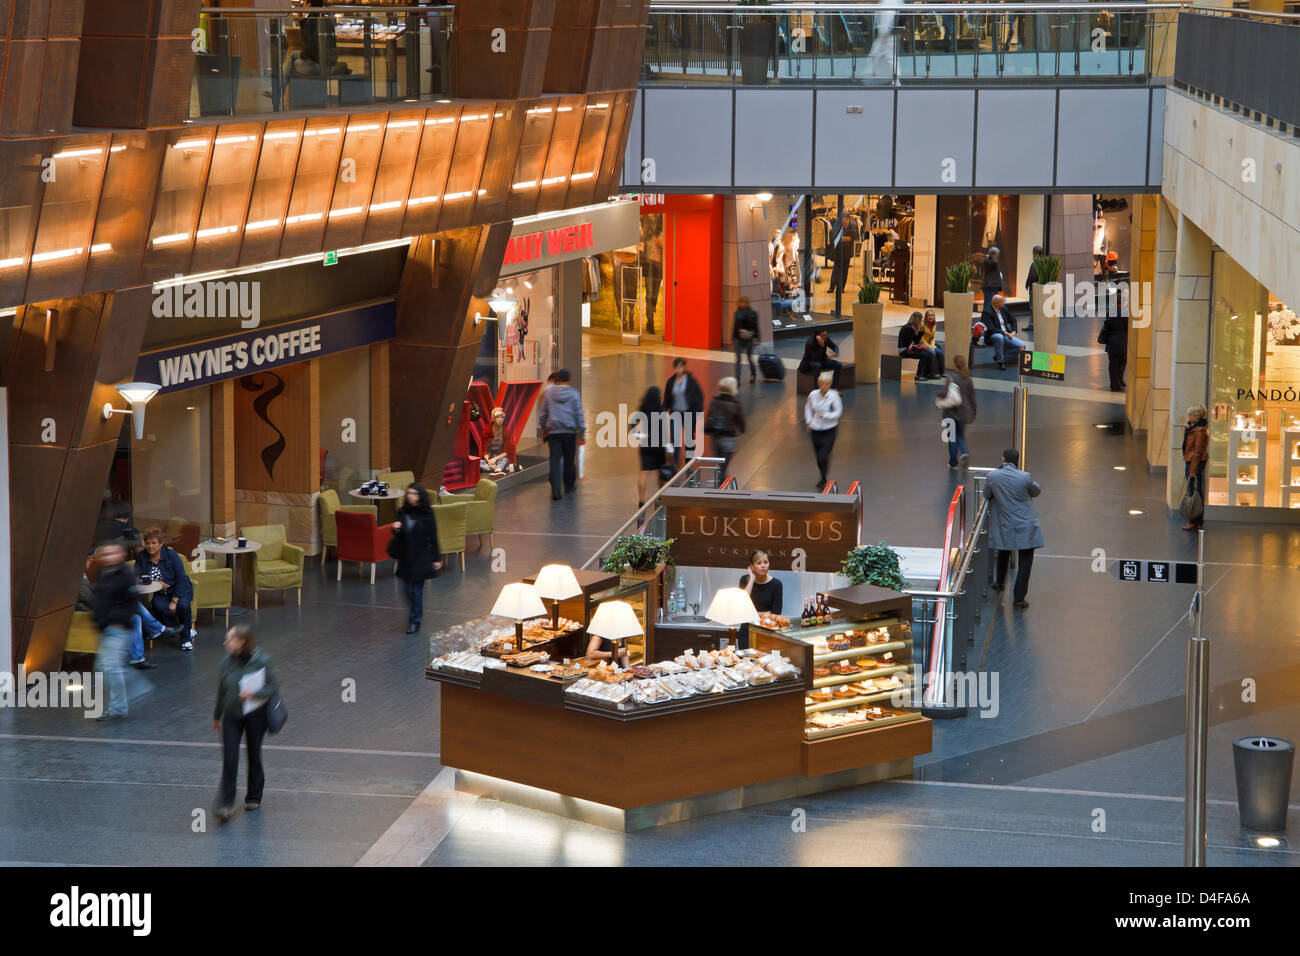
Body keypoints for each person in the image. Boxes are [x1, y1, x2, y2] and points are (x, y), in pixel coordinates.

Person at [212, 623, 280, 821]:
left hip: (255, 715)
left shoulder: (262, 661)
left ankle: (254, 795)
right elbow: (221, 691)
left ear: (241, 642)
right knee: (230, 758)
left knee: (253, 754)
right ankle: (226, 803)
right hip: (232, 715)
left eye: (229, 639)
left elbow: (273, 686)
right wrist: (217, 715)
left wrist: (254, 693)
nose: (226, 642)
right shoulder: (225, 663)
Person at [77, 552, 169, 669]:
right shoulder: (77, 579)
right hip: (93, 614)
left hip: (101, 609)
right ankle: (157, 632)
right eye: (90, 558)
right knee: (134, 614)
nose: (92, 560)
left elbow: (93, 590)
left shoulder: (81, 576)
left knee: (133, 606)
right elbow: (91, 601)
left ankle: (151, 639)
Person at [983, 449, 1043, 609]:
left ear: (1003, 459)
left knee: (1004, 549)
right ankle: (1019, 599)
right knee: (1025, 561)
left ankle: (999, 582)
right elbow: (1036, 491)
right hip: (1025, 523)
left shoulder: (993, 476)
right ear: (1017, 461)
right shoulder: (1025, 477)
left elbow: (986, 494)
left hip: (1005, 522)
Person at [92, 541, 137, 720]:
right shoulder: (104, 573)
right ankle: (120, 703)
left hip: (117, 629)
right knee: (104, 668)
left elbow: (131, 603)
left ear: (121, 554)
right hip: (106, 629)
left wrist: (117, 622)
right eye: (105, 554)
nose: (108, 557)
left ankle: (119, 705)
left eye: (112, 553)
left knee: (110, 668)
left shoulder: (125, 575)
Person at [390, 483, 442, 633]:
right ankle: (415, 610)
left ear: (420, 496)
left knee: (417, 590)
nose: (410, 496)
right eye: (409, 493)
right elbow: (397, 534)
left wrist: (436, 558)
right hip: (406, 556)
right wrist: (396, 529)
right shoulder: (402, 512)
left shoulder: (428, 513)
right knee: (406, 590)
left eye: (413, 493)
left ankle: (414, 621)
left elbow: (433, 536)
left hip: (421, 556)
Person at [135, 528, 194, 650]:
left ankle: (186, 639)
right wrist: (154, 581)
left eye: (153, 543)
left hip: (179, 589)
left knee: (182, 606)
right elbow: (137, 577)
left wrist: (174, 600)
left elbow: (181, 578)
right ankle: (183, 631)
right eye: (147, 543)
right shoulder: (141, 557)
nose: (150, 546)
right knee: (159, 606)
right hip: (161, 593)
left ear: (161, 544)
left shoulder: (171, 555)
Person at [538, 367, 585, 500]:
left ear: (557, 379)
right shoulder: (574, 394)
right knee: (569, 460)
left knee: (554, 460)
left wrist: (544, 428)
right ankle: (569, 487)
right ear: (569, 379)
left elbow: (543, 414)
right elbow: (579, 414)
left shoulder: (549, 393)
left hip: (553, 433)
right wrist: (581, 431)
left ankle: (556, 490)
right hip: (569, 432)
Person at [663, 358, 704, 470]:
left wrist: (696, 414)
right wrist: (663, 411)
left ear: (684, 367)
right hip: (675, 414)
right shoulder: (671, 382)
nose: (678, 369)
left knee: (689, 440)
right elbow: (666, 398)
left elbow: (699, 398)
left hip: (688, 414)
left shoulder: (691, 381)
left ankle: (689, 463)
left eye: (680, 367)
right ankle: (675, 463)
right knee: (675, 439)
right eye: (676, 367)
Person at [804, 370, 843, 488]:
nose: (823, 386)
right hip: (815, 430)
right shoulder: (813, 394)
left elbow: (838, 412)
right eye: (821, 383)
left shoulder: (834, 396)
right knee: (818, 457)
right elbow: (808, 408)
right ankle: (823, 475)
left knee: (823, 456)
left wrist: (826, 415)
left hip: (829, 430)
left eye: (826, 384)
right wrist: (809, 421)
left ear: (830, 384)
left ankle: (823, 478)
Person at [938, 353, 977, 469]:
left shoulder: (951, 378)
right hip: (963, 413)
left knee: (952, 437)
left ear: (955, 365)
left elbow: (944, 393)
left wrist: (938, 394)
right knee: (960, 435)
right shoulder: (968, 380)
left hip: (950, 413)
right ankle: (964, 452)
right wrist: (973, 413)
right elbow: (972, 398)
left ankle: (953, 463)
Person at [703, 377, 745, 478]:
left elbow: (710, 417)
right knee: (723, 468)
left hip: (715, 439)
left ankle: (723, 478)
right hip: (728, 439)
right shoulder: (736, 404)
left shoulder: (714, 402)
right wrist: (742, 429)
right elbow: (741, 422)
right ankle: (720, 489)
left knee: (720, 465)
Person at [634, 386, 666, 508]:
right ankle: (660, 496)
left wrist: (639, 435)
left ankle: (641, 500)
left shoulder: (642, 410)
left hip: (645, 444)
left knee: (644, 472)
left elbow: (631, 426)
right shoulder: (661, 410)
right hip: (659, 444)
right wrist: (668, 446)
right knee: (660, 472)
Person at [981, 293, 1027, 370]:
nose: (1003, 303)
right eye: (1002, 301)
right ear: (996, 303)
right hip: (992, 335)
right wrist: (1005, 333)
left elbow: (1013, 320)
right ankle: (1000, 362)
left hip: (1006, 334)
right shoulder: (987, 312)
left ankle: (1002, 357)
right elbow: (991, 329)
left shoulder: (1003, 308)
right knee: (999, 337)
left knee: (1022, 346)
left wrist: (1013, 332)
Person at [1182, 405, 1210, 532]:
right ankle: (1196, 519)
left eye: (1191, 415)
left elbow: (1198, 452)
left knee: (1195, 491)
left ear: (1197, 416)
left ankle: (1195, 520)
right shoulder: (1192, 427)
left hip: (1195, 463)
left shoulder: (1199, 431)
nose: (1189, 417)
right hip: (1191, 460)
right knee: (1194, 489)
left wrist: (1192, 470)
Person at [898, 311, 943, 381]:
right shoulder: (907, 328)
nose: (921, 322)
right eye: (920, 320)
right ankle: (918, 375)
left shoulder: (914, 327)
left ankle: (927, 373)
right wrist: (921, 347)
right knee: (924, 355)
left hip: (910, 347)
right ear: (917, 320)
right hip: (904, 349)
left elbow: (916, 340)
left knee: (930, 351)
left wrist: (921, 332)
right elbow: (910, 343)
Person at [739, 549, 783, 615]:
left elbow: (776, 613)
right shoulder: (744, 579)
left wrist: (752, 614)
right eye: (758, 563)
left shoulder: (776, 584)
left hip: (767, 624)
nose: (763, 566)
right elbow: (741, 605)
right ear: (752, 566)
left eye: (765, 562)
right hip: (747, 624)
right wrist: (751, 580)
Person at [1098, 305, 1128, 392]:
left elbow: (1107, 325)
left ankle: (1114, 385)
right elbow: (1128, 327)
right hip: (1123, 342)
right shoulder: (1125, 313)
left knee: (1113, 365)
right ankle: (1120, 380)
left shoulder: (1110, 312)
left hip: (1112, 342)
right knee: (1122, 363)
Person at [732, 296, 759, 382]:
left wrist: (758, 338)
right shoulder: (737, 313)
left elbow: (755, 326)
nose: (742, 304)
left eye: (744, 302)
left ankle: (753, 374)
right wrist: (732, 338)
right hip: (738, 338)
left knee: (749, 358)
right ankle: (737, 378)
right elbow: (735, 327)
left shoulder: (752, 313)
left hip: (748, 338)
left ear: (747, 303)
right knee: (738, 359)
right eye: (741, 302)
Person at [1024, 245, 1044, 331]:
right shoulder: (1044, 262)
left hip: (1035, 287)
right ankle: (1038, 324)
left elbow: (1032, 276)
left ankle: (1032, 325)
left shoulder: (1035, 263)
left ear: (1034, 253)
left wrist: (1027, 283)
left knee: (1032, 306)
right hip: (1040, 287)